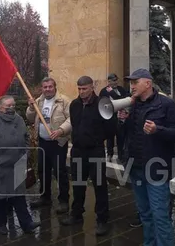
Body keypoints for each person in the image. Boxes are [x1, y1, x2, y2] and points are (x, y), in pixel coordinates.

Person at [118, 68, 175, 246]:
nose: (131, 86)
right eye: (130, 83)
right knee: (145, 215)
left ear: (147, 83)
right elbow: (127, 136)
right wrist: (123, 121)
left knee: (160, 216)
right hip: (136, 169)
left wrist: (158, 130)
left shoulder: (166, 104)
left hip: (156, 170)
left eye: (135, 82)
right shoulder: (132, 105)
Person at [60, 76, 116, 236]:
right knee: (78, 185)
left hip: (95, 151)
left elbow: (111, 128)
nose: (81, 92)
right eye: (79, 88)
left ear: (92, 87)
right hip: (78, 151)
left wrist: (97, 139)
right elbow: (75, 125)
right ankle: (76, 214)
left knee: (99, 185)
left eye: (84, 88)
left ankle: (102, 220)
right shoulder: (75, 105)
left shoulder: (102, 104)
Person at [0, 95, 40, 235]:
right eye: (8, 106)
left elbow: (25, 137)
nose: (12, 108)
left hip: (17, 165)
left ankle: (27, 223)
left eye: (13, 105)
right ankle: (0, 224)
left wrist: (25, 154)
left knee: (19, 197)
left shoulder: (18, 119)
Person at [26, 77, 72, 214]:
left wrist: (61, 130)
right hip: (42, 142)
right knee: (42, 170)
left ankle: (63, 201)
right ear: (42, 88)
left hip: (58, 143)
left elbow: (71, 118)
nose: (47, 89)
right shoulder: (38, 101)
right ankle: (45, 197)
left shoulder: (64, 101)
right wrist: (30, 107)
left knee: (59, 171)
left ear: (55, 87)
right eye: (45, 87)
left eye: (50, 87)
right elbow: (29, 118)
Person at [99, 73, 128, 160]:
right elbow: (101, 103)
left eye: (116, 80)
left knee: (121, 137)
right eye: (113, 81)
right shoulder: (104, 91)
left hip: (120, 116)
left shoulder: (121, 89)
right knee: (110, 137)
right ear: (109, 81)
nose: (115, 82)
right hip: (109, 116)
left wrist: (113, 93)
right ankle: (109, 153)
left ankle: (121, 155)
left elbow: (124, 99)